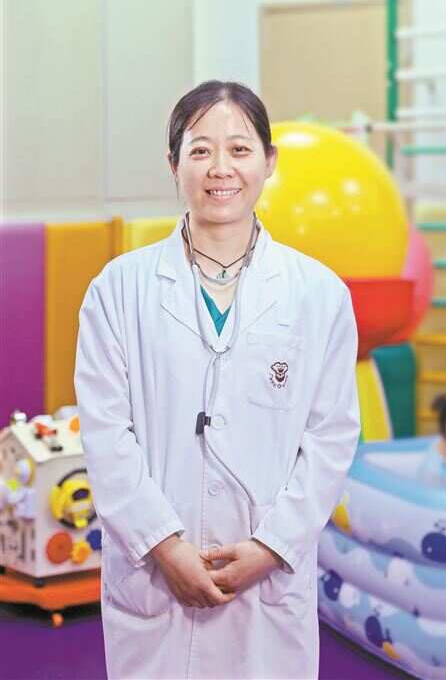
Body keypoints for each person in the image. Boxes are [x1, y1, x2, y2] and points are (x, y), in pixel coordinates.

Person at [74, 80, 361, 680]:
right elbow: (105, 434)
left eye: (240, 149)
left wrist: (272, 547)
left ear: (269, 161)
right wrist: (164, 545)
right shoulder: (118, 290)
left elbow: (331, 438)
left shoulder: (319, 294)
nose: (220, 168)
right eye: (200, 150)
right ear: (173, 163)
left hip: (266, 582)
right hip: (155, 578)